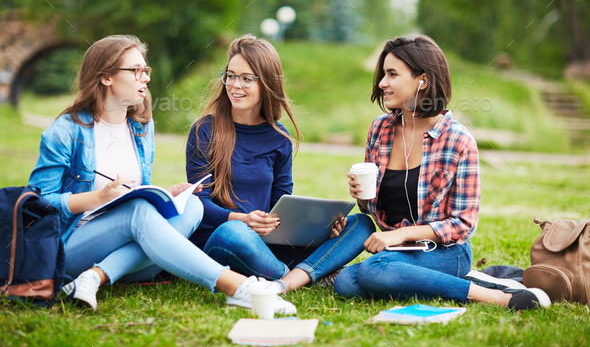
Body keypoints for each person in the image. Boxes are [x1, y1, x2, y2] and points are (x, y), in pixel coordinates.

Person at [28, 35, 296, 314]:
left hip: (132, 258)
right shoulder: (66, 132)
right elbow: (35, 208)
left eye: (146, 70)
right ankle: (238, 288)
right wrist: (96, 198)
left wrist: (169, 196)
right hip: (70, 248)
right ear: (106, 77)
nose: (145, 78)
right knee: (138, 212)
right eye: (136, 71)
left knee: (191, 205)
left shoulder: (140, 128)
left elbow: (134, 197)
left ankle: (95, 276)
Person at [333, 35, 551, 311]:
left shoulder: (458, 140)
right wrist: (362, 197)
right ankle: (424, 280)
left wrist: (403, 234)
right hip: (395, 252)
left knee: (371, 271)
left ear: (422, 80)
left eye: (392, 74)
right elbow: (376, 208)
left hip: (447, 251)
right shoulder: (380, 129)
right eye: (382, 74)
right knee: (346, 284)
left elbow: (463, 223)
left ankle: (499, 297)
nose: (381, 83)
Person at [186, 34, 376, 293]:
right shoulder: (204, 130)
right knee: (235, 232)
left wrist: (321, 232)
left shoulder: (279, 137)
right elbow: (198, 203)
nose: (234, 85)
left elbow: (281, 206)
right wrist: (243, 219)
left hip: (268, 243)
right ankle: (296, 277)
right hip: (222, 240)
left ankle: (283, 278)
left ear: (266, 84)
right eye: (230, 75)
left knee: (360, 225)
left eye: (246, 78)